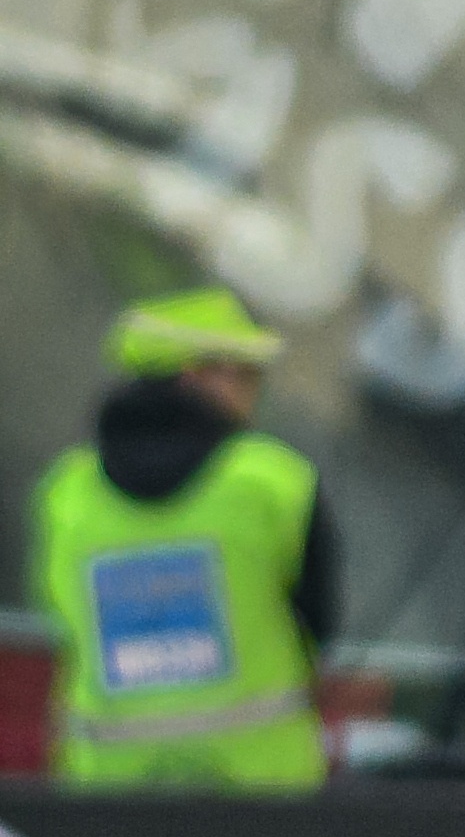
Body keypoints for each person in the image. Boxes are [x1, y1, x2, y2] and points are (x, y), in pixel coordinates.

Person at [28, 288, 336, 790]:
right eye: (245, 374)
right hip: (263, 788)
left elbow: (61, 621)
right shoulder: (274, 482)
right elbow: (318, 622)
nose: (256, 392)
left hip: (107, 792)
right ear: (197, 376)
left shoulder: (66, 493)